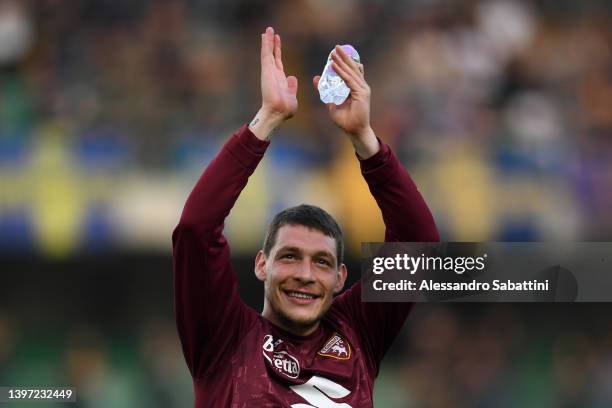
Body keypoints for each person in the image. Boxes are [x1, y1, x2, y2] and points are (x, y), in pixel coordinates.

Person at [172, 26, 439, 407]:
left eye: (322, 262)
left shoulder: (358, 332)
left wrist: (363, 137)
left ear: (340, 278)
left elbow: (419, 246)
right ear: (262, 264)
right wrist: (267, 119)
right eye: (290, 256)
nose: (305, 274)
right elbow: (196, 229)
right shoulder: (223, 338)